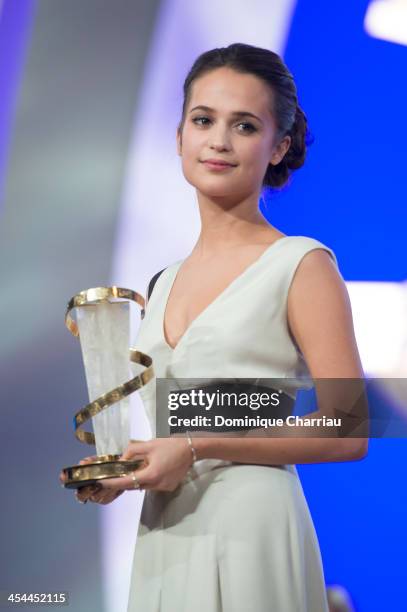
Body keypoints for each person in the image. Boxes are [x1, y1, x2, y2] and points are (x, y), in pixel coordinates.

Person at [61, 43, 368, 611]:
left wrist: (196, 445)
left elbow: (348, 428)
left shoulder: (300, 264)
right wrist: (128, 467)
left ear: (279, 146)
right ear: (180, 135)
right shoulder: (161, 283)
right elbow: (185, 430)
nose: (219, 141)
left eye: (244, 125)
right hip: (167, 532)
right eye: (203, 120)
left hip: (253, 526)